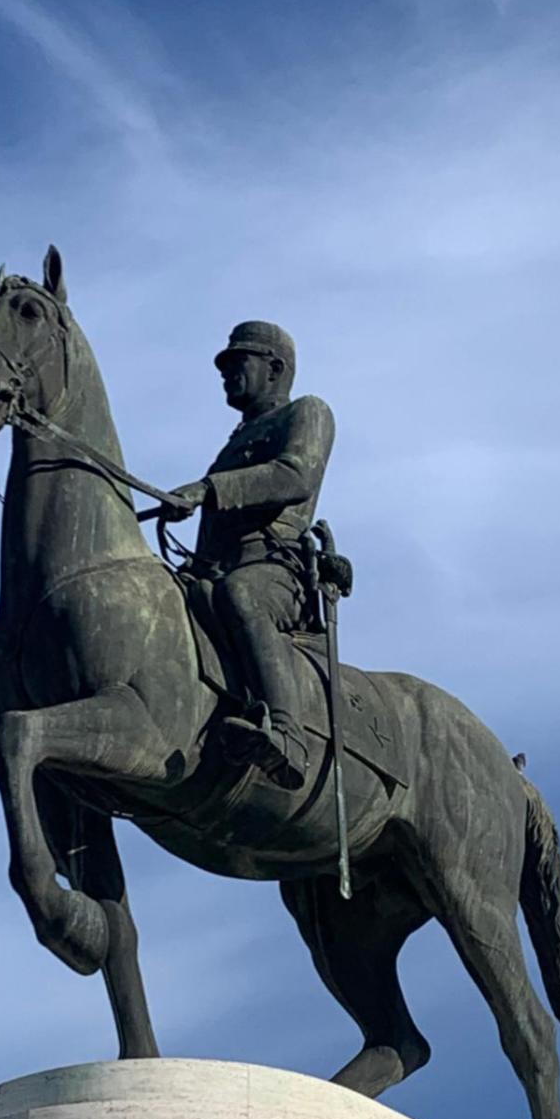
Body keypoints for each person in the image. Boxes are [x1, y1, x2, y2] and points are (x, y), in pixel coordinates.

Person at [165, 321, 335, 791]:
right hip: (217, 570)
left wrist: (206, 489)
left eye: (237, 362)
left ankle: (287, 736)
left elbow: (294, 475)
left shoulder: (307, 412)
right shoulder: (232, 444)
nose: (225, 373)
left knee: (243, 596)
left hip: (274, 571)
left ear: (274, 369)